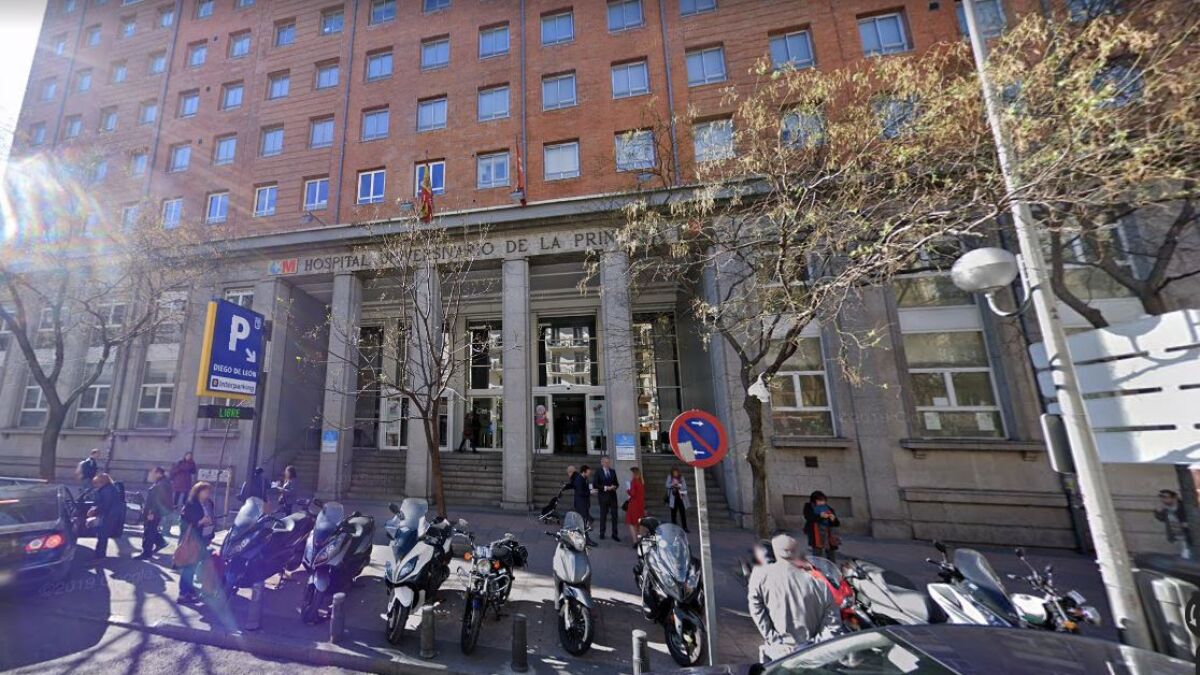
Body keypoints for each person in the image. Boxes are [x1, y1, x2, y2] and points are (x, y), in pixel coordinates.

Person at [747, 534, 841, 662]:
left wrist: (773, 638)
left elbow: (756, 608)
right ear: (797, 552)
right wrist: (813, 646)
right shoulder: (819, 583)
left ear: (775, 552)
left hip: (779, 652)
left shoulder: (761, 576)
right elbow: (832, 625)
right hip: (812, 655)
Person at [177, 481, 216, 605]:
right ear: (198, 492)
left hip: (205, 537)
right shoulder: (191, 504)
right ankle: (183, 594)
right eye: (205, 491)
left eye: (209, 492)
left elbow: (213, 518)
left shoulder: (209, 503)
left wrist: (211, 534)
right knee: (189, 566)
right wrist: (200, 522)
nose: (207, 494)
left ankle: (191, 591)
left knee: (199, 566)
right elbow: (184, 522)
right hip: (193, 539)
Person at [138, 466, 171, 560]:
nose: (150, 474)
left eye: (152, 472)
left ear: (158, 473)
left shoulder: (161, 484)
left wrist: (152, 512)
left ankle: (146, 553)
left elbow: (158, 500)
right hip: (155, 512)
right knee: (151, 529)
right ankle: (160, 542)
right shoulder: (162, 482)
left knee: (149, 532)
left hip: (154, 512)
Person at [89, 473, 123, 563]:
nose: (95, 485)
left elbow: (105, 505)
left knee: (102, 536)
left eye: (96, 483)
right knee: (102, 536)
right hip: (111, 516)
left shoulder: (106, 491)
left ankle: (99, 556)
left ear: (101, 482)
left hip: (108, 516)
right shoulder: (110, 488)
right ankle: (98, 555)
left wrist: (94, 511)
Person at [1154, 489, 1192, 559]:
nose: (1163, 500)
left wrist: (1187, 524)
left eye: (1165, 497)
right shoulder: (1165, 508)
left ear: (1174, 498)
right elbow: (1161, 519)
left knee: (1187, 554)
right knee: (1186, 551)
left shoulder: (1184, 506)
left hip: (1189, 534)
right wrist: (1158, 512)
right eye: (1161, 497)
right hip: (1178, 534)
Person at [803, 491, 841, 561]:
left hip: (829, 534)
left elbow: (837, 523)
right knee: (817, 553)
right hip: (815, 534)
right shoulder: (809, 507)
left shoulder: (828, 508)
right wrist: (820, 516)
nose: (822, 502)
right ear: (814, 500)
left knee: (831, 553)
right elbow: (809, 517)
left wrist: (833, 519)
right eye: (819, 500)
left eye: (823, 500)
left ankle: (831, 566)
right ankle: (817, 567)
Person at [593, 456, 621, 542]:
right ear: (602, 463)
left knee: (614, 516)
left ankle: (615, 534)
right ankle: (602, 533)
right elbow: (595, 484)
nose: (607, 464)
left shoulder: (612, 471)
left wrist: (614, 486)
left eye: (608, 462)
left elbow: (617, 483)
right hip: (603, 497)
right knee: (603, 516)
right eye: (605, 462)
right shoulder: (598, 472)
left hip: (613, 497)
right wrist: (605, 488)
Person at [625, 466, 646, 546]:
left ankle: (635, 541)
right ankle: (640, 539)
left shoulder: (634, 481)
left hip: (633, 504)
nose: (631, 474)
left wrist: (627, 490)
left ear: (634, 473)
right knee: (639, 523)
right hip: (640, 504)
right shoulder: (641, 481)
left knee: (631, 522)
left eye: (631, 473)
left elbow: (632, 493)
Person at [665, 467, 689, 532]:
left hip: (681, 497)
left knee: (682, 512)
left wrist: (679, 485)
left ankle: (685, 527)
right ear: (672, 472)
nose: (675, 473)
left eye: (676, 472)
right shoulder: (670, 477)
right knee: (673, 513)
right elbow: (667, 485)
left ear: (678, 472)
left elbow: (684, 486)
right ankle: (674, 528)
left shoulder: (681, 477)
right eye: (674, 472)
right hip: (673, 497)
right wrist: (673, 484)